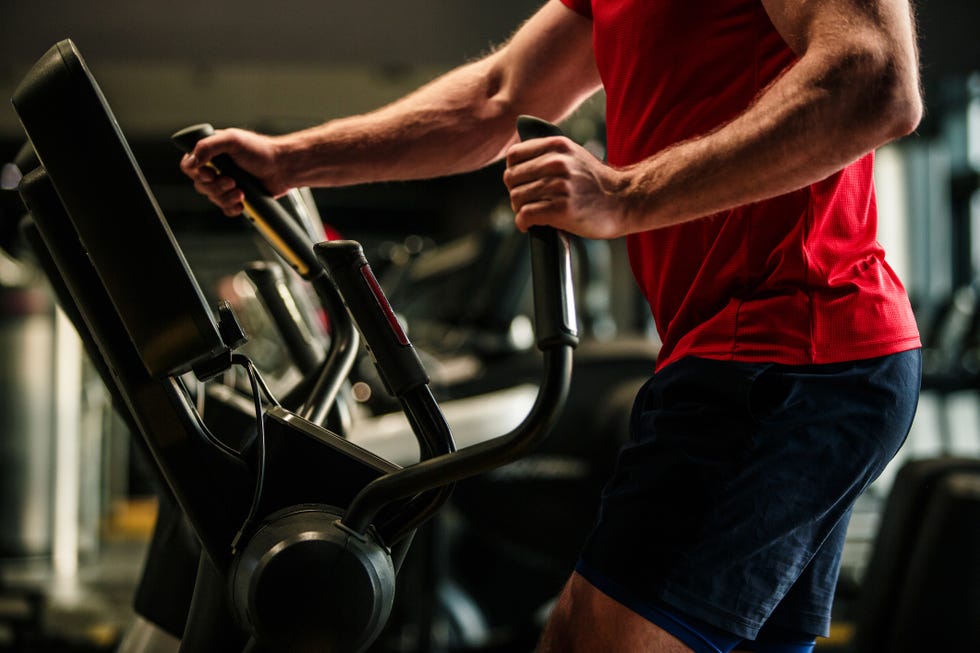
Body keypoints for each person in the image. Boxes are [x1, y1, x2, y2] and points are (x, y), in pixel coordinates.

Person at [180, 1, 924, 651]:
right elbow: (497, 97)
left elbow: (876, 77)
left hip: (786, 351)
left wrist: (623, 195)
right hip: (776, 359)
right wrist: (290, 160)